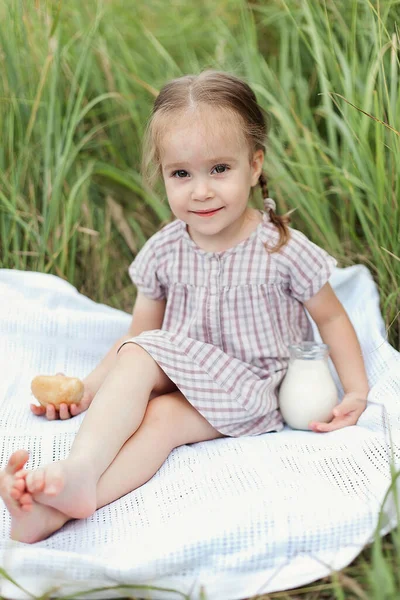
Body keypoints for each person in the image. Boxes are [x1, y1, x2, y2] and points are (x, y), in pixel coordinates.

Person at [0, 70, 370, 543]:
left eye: (219, 169)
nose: (201, 191)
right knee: (159, 421)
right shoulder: (165, 249)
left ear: (254, 166)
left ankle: (77, 469)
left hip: (250, 391)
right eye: (181, 174)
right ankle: (59, 510)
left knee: (144, 355)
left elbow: (332, 317)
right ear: (163, 175)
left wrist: (355, 391)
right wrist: (86, 391)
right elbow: (136, 336)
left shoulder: (280, 248)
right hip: (184, 384)